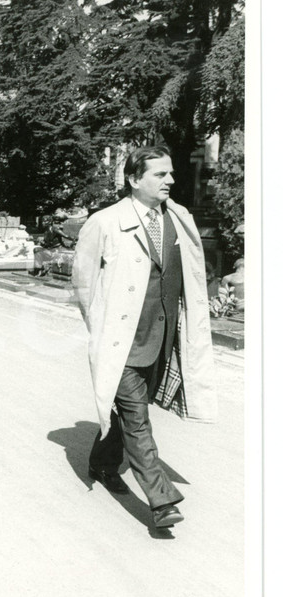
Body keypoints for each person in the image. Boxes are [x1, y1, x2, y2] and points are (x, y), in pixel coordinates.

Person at [73, 144, 217, 531]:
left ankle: (102, 463)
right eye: (160, 174)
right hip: (122, 341)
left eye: (171, 173)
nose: (170, 180)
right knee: (138, 420)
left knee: (130, 413)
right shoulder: (105, 222)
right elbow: (83, 284)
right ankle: (162, 501)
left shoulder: (179, 219)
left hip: (163, 339)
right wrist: (102, 327)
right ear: (135, 180)